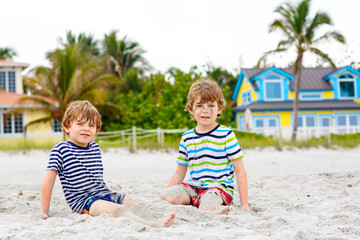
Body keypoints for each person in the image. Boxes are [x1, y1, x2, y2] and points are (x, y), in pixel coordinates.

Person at [40, 100, 175, 227]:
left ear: (96, 130)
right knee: (119, 210)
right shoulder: (61, 149)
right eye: (80, 124)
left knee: (136, 202)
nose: (86, 128)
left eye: (91, 125)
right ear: (67, 127)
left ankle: (167, 216)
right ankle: (150, 224)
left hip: (104, 193)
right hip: (84, 201)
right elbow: (48, 181)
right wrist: (45, 210)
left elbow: (97, 180)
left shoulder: (95, 148)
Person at [160, 79, 250, 214]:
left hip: (218, 189)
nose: (205, 110)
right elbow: (179, 172)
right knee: (166, 197)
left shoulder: (226, 135)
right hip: (194, 187)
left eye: (211, 106)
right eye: (200, 105)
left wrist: (245, 205)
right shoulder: (187, 138)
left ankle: (217, 210)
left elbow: (240, 171)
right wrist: (165, 195)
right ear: (190, 109)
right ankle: (197, 204)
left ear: (219, 108)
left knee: (206, 207)